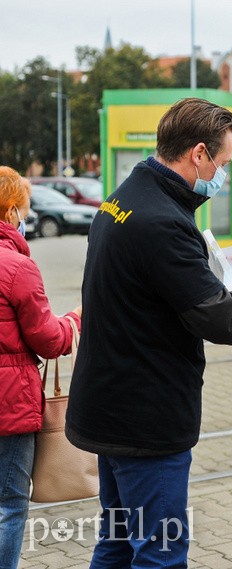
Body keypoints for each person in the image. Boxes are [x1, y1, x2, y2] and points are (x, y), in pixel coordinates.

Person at [65, 98, 232, 568]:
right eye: (223, 163)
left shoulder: (124, 197)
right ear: (199, 153)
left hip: (109, 406)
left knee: (118, 541)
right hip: (146, 419)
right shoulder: (163, 222)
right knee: (160, 551)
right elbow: (221, 319)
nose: (222, 175)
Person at [0, 166, 81, 569]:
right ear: (12, 209)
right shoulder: (17, 267)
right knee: (9, 503)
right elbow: (49, 340)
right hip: (8, 406)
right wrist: (74, 321)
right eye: (24, 210)